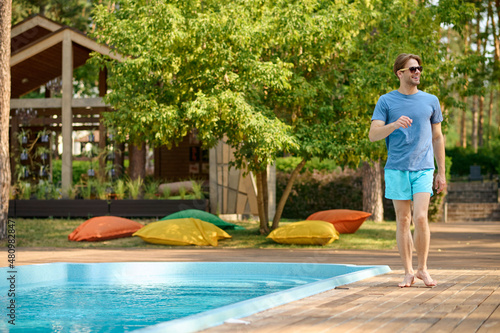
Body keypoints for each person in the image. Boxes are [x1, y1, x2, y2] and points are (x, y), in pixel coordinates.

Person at [369, 53, 446, 288]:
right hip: (396, 168)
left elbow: (437, 136)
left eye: (419, 68)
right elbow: (373, 135)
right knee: (403, 220)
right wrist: (393, 124)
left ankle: (423, 269)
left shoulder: (431, 100)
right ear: (399, 73)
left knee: (421, 217)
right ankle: (408, 271)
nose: (417, 72)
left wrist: (441, 172)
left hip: (423, 167)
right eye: (412, 69)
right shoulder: (386, 101)